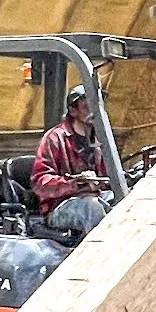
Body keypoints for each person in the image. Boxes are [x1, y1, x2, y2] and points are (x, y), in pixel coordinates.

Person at [30, 85, 111, 238]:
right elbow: (40, 183)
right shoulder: (55, 139)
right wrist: (77, 182)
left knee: (125, 202)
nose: (95, 111)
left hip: (97, 196)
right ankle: (102, 255)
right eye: (88, 105)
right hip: (62, 206)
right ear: (73, 110)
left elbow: (109, 176)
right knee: (90, 207)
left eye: (98, 105)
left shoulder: (101, 139)